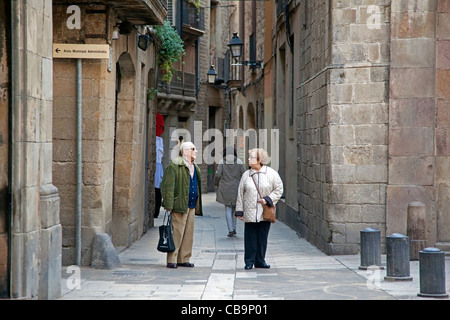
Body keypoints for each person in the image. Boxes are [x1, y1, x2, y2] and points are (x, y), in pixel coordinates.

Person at [235, 148, 283, 270]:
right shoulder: (246, 175)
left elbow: (279, 189)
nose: (248, 159)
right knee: (250, 237)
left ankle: (260, 260)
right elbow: (240, 193)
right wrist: (239, 211)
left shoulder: (271, 174)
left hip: (264, 211)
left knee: (262, 237)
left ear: (259, 160)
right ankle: (249, 261)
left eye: (251, 157)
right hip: (250, 211)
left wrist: (267, 199)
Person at [160, 141, 203, 269]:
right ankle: (172, 259)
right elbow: (168, 186)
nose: (195, 151)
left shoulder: (194, 166)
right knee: (177, 232)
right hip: (179, 204)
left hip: (191, 204)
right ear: (185, 152)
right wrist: (168, 204)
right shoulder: (174, 165)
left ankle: (184, 258)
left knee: (188, 233)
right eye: (193, 149)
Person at [214, 146, 245, 237]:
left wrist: (216, 183)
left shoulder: (222, 162)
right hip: (236, 187)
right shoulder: (239, 162)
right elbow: (244, 173)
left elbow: (218, 174)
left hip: (225, 187)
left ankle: (230, 229)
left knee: (228, 207)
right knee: (235, 208)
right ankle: (234, 228)